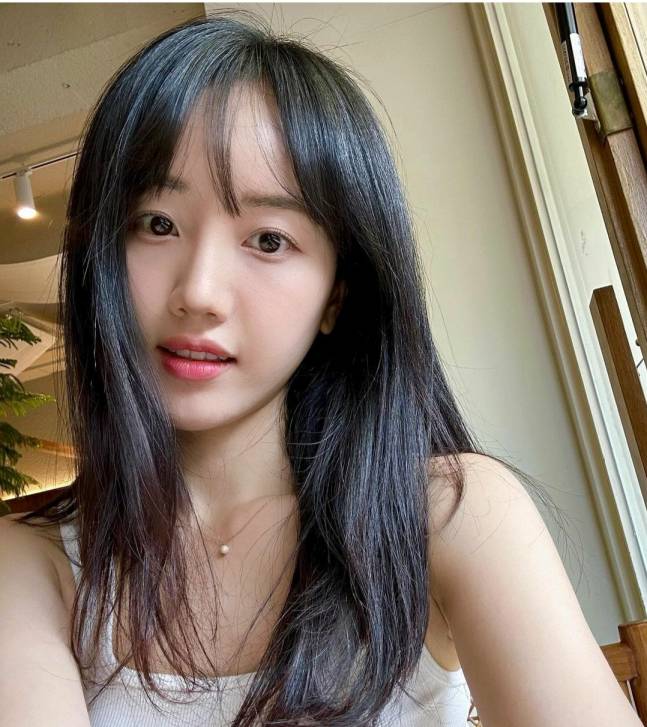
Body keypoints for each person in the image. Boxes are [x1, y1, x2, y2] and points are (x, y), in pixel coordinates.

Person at [0, 9, 640, 727]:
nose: (199, 293)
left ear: (338, 293)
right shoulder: (30, 564)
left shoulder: (445, 514)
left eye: (269, 240)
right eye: (157, 224)